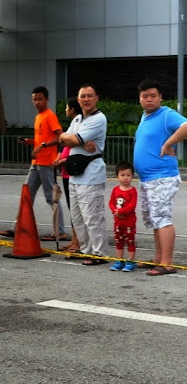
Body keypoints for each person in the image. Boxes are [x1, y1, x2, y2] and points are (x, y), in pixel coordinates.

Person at [133, 79, 187, 276]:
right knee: (153, 219)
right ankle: (158, 258)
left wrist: (168, 144)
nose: (149, 99)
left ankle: (167, 262)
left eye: (153, 96)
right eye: (145, 96)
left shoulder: (166, 114)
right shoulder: (145, 117)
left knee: (161, 217)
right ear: (140, 99)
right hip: (148, 177)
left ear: (160, 97)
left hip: (162, 176)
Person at [1, 86, 67, 240]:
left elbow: (60, 137)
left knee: (51, 197)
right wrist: (30, 142)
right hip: (36, 162)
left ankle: (61, 231)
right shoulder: (38, 117)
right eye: (34, 99)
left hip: (46, 163)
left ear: (47, 100)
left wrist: (42, 146)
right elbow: (40, 140)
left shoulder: (49, 116)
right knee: (27, 195)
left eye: (40, 99)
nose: (37, 102)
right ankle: (18, 227)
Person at [59, 83, 109, 265]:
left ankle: (99, 253)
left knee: (92, 216)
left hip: (91, 174)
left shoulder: (99, 118)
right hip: (75, 174)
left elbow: (72, 139)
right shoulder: (78, 119)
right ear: (78, 99)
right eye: (83, 96)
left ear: (96, 98)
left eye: (90, 96)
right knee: (78, 217)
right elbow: (64, 139)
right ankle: (86, 249)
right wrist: (78, 141)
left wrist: (75, 140)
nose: (86, 99)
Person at [52, 97, 83, 252]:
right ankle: (74, 240)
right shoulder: (73, 123)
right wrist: (60, 157)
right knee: (72, 210)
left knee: (75, 210)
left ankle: (78, 241)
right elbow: (62, 141)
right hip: (65, 173)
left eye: (66, 107)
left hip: (71, 171)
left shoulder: (78, 123)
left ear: (72, 109)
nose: (65, 110)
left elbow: (72, 144)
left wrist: (63, 161)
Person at [108, 161, 138, 272]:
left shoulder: (132, 191)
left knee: (130, 241)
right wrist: (114, 210)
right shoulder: (115, 190)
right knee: (118, 241)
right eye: (123, 175)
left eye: (128, 175)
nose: (125, 178)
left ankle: (130, 261)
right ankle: (119, 260)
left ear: (132, 176)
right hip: (118, 221)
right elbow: (111, 202)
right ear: (117, 176)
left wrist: (121, 211)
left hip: (129, 221)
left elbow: (132, 205)